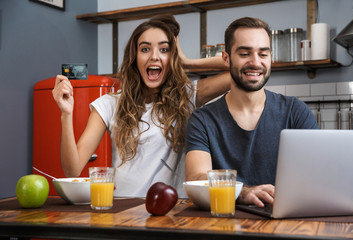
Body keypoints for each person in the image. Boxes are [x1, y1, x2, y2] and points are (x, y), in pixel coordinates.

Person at [52, 17, 230, 198]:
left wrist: (186, 62)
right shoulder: (109, 104)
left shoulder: (188, 96)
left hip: (171, 212)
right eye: (145, 49)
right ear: (134, 58)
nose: (154, 56)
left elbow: (237, 68)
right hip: (123, 211)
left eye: (164, 49)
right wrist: (66, 114)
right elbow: (72, 171)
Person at [185, 17, 319, 207]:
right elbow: (197, 179)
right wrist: (242, 192)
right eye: (245, 53)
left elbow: (318, 173)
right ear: (226, 58)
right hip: (224, 227)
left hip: (285, 224)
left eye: (263, 54)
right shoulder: (202, 120)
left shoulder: (295, 111)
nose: (255, 63)